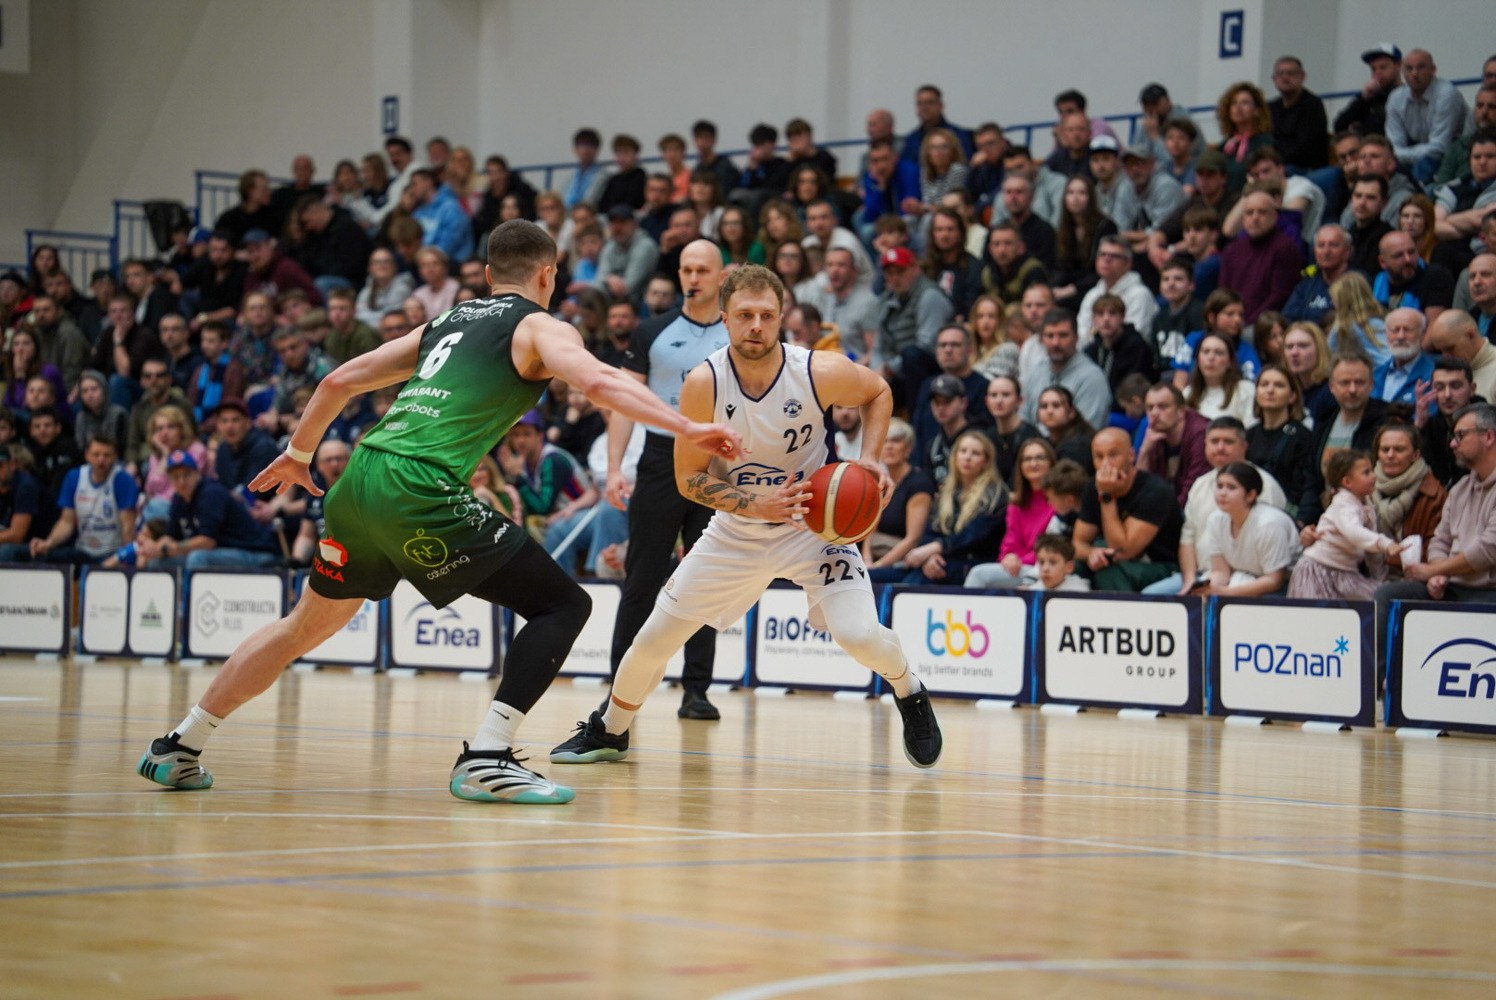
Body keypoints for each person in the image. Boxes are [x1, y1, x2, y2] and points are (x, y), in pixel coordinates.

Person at [136, 220, 741, 802]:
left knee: (300, 627)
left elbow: (339, 380)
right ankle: (487, 758)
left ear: (488, 275)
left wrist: (298, 454)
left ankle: (179, 744)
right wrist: (685, 425)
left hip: (359, 478)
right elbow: (601, 383)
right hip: (417, 485)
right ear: (548, 274)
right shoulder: (538, 326)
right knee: (564, 605)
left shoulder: (448, 320)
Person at [551, 263, 943, 769]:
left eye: (766, 315)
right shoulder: (704, 383)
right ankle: (610, 730)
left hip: (813, 529)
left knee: (860, 635)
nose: (755, 325)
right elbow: (688, 479)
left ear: (781, 317)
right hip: (736, 532)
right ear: (725, 318)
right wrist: (755, 504)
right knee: (651, 641)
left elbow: (877, 392)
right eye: (744, 315)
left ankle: (910, 691)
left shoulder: (816, 371)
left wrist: (869, 458)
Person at [603, 241, 734, 720]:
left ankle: (696, 691)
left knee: (704, 580)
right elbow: (622, 402)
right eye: (686, 270)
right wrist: (614, 468)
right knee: (641, 579)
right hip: (660, 459)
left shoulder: (738, 331)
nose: (693, 278)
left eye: (702, 270)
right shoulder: (651, 331)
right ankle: (618, 690)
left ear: (722, 277)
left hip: (716, 462)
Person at [1374, 404, 1496, 619]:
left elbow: (1488, 549)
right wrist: (1437, 575)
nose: (1452, 444)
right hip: (1451, 585)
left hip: (1488, 591)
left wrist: (1434, 570)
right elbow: (1440, 540)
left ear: (1488, 437)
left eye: (1461, 436)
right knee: (1387, 595)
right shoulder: (1460, 489)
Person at [884, 429, 1007, 587]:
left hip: (973, 562)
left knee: (914, 582)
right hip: (941, 559)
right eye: (963, 451)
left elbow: (970, 536)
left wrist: (934, 549)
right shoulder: (947, 490)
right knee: (875, 576)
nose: (967, 457)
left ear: (986, 461)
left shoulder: (995, 494)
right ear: (955, 456)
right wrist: (929, 557)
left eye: (975, 453)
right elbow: (930, 530)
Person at [1073, 427, 1185, 592]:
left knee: (1109, 571)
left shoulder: (1155, 491)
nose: (1105, 464)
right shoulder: (1092, 486)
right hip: (1118, 561)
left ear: (1131, 455)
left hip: (1161, 567)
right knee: (1069, 566)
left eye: (1113, 455)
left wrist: (1107, 496)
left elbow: (1123, 551)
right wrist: (1093, 553)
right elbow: (1077, 544)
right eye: (1099, 457)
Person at [1288, 449, 1404, 599]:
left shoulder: (1367, 504)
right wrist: (1386, 544)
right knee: (1317, 612)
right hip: (1317, 570)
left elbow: (1371, 552)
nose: (1374, 476)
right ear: (1347, 482)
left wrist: (1380, 578)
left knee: (1376, 596)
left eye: (1372, 470)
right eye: (1366, 473)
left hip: (1345, 573)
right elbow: (1354, 532)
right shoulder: (1343, 503)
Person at [28, 433, 137, 565]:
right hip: (82, 550)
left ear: (116, 457)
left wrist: (125, 559)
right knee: (46, 558)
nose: (101, 460)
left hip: (112, 551)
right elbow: (66, 522)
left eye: (106, 455)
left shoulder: (123, 480)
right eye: (96, 455)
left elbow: (127, 526)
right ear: (87, 455)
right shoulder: (74, 477)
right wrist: (48, 543)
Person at [963, 436, 1057, 588]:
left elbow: (1054, 546)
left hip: (1044, 567)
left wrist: (1019, 561)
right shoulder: (1016, 504)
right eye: (1027, 459)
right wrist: (1009, 556)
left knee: (978, 574)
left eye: (1040, 458)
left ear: (1051, 462)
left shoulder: (1058, 502)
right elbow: (1010, 541)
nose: (1033, 464)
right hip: (1018, 566)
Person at [1199, 462, 1301, 595]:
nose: (1222, 493)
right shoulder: (1215, 519)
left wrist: (1226, 593)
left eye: (1231, 487)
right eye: (1220, 486)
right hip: (1243, 578)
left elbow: (1274, 580)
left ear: (1250, 495)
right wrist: (1206, 588)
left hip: (1285, 587)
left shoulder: (1269, 524)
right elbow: (1221, 572)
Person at [1371, 423, 1446, 580]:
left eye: (1399, 449)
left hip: (1416, 579)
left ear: (1415, 455)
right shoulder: (1363, 487)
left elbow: (1435, 552)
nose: (1390, 455)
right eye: (1385, 449)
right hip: (1369, 575)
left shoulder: (1434, 495)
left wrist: (1388, 556)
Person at [1386, 49, 1470, 185]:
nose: (1414, 73)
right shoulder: (1395, 98)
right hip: (1412, 157)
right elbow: (1393, 147)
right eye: (1409, 68)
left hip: (1450, 157)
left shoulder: (1447, 94)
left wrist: (1400, 154)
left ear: (1433, 70)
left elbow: (1439, 148)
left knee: (1424, 165)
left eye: (1421, 67)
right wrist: (1397, 155)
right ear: (1403, 72)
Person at [1019, 307, 1112, 432]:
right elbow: (1023, 421)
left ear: (1076, 338)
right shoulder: (1036, 372)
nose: (1055, 342)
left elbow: (1086, 433)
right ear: (1041, 340)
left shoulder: (1092, 378)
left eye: (1063, 335)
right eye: (1050, 336)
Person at [861, 417, 933, 572]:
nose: (889, 446)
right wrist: (866, 560)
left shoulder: (919, 483)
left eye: (896, 441)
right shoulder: (880, 480)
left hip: (904, 562)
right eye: (884, 441)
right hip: (876, 557)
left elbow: (913, 539)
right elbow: (870, 529)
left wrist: (877, 567)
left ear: (908, 448)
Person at [1246, 364, 1317, 520]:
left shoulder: (1303, 437)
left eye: (1278, 385)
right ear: (1256, 393)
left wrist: (1300, 521)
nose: (1270, 390)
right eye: (1264, 384)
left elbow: (1306, 488)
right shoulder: (1248, 435)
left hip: (1288, 516)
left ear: (1292, 396)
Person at [1138, 382, 1211, 507]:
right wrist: (1144, 452)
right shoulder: (1154, 434)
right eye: (1150, 408)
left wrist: (1165, 515)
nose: (1154, 413)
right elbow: (1140, 488)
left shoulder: (1200, 433)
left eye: (1162, 407)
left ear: (1181, 411)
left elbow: (1193, 489)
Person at [1416, 356, 1482, 487]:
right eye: (1440, 387)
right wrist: (1419, 425)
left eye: (1455, 386)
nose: (1447, 395)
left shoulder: (1488, 425)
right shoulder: (1431, 427)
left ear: (1472, 389)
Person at [1076, 237, 1157, 342]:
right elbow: (1081, 335)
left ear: (1127, 264)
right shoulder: (1092, 294)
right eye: (1102, 254)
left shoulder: (1140, 295)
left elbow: (1136, 337)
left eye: (1114, 256)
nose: (1107, 259)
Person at [1268, 56, 1330, 171]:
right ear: (1274, 79)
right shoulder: (1270, 108)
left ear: (1302, 76)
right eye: (1280, 74)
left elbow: (1304, 149)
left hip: (1306, 169)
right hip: (1277, 166)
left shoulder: (1313, 105)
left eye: (1290, 73)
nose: (1285, 77)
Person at [1215, 82, 1276, 194]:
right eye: (1234, 103)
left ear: (1256, 111)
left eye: (1245, 102)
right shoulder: (1224, 147)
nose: (1238, 107)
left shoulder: (1265, 142)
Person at [1284, 224, 1353, 323]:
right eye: (1321, 245)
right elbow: (1287, 318)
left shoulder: (1356, 283)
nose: (1326, 251)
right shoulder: (1307, 284)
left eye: (1333, 245)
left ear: (1347, 251)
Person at [1334, 43, 1402, 139]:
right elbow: (1339, 126)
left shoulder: (1405, 96)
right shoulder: (1368, 98)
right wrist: (1363, 99)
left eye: (1383, 67)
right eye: (1373, 69)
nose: (1377, 73)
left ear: (1398, 65)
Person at [1373, 307, 1434, 407]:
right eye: (1395, 330)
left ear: (1423, 334)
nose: (1401, 336)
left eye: (1407, 330)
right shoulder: (1375, 374)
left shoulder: (1432, 376)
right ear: (1385, 334)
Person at [1034, 385, 1094, 474]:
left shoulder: (1077, 445)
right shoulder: (1046, 440)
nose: (1049, 411)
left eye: (1056, 405)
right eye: (1044, 406)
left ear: (1071, 412)